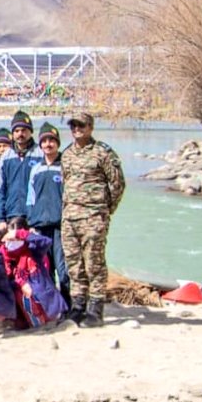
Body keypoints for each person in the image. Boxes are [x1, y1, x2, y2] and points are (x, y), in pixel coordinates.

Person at [60, 112, 125, 327]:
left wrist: (105, 211)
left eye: (81, 125)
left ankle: (95, 309)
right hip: (70, 218)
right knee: (74, 264)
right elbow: (66, 184)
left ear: (90, 127)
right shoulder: (67, 154)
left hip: (93, 216)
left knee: (94, 263)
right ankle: (78, 306)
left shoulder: (103, 153)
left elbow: (117, 184)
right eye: (73, 125)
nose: (76, 128)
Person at [26, 122, 69, 303]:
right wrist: (31, 222)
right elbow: (31, 197)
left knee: (63, 269)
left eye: (52, 140)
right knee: (45, 268)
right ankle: (52, 305)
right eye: (44, 141)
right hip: (41, 226)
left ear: (57, 143)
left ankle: (67, 304)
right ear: (40, 144)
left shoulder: (65, 167)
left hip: (60, 225)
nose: (48, 144)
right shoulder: (36, 169)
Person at [1, 229, 67, 329]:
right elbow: (5, 281)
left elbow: (46, 242)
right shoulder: (5, 259)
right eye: (9, 240)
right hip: (24, 307)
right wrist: (21, 283)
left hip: (46, 300)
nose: (12, 242)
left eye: (15, 239)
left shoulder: (33, 252)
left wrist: (20, 234)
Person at [0, 110, 44, 224]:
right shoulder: (6, 156)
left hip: (34, 214)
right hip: (12, 213)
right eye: (17, 131)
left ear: (30, 132)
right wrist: (1, 218)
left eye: (24, 130)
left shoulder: (40, 153)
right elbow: (1, 189)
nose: (20, 134)